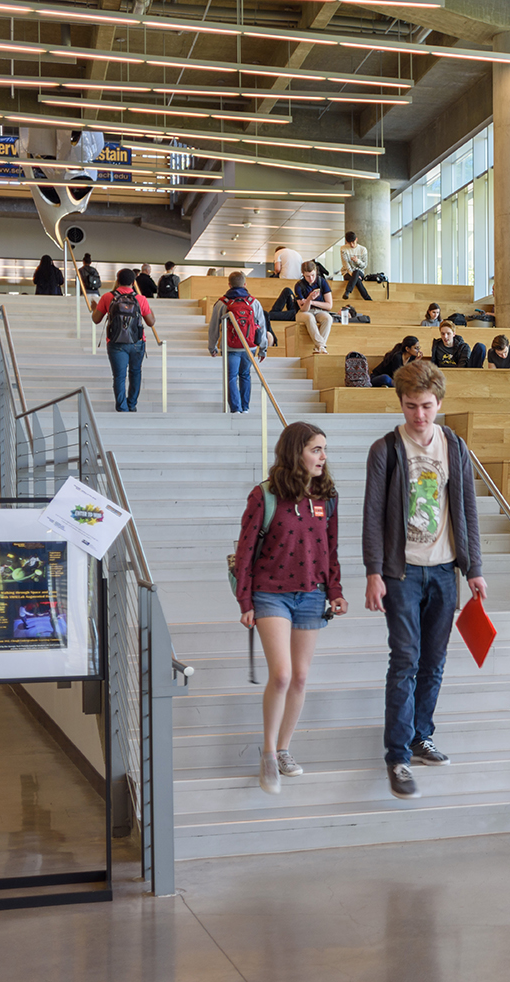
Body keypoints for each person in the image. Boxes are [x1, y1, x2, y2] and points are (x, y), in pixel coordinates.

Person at [363, 361, 488, 800]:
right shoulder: (385, 450)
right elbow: (373, 516)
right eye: (412, 406)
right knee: (406, 660)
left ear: (440, 404)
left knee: (434, 662)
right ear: (400, 403)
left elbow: (466, 510)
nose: (420, 415)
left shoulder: (453, 446)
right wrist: (373, 572)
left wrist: (473, 569)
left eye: (427, 406)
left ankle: (421, 736)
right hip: (401, 572)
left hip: (444, 569)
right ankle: (397, 755)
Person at [234, 422, 347, 793]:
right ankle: (267, 752)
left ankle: (284, 748)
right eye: (316, 449)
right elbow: (246, 553)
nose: (323, 457)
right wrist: (246, 600)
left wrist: (336, 590)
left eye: (324, 450)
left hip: (312, 595)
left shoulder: (326, 497)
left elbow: (330, 550)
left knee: (300, 676)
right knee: (281, 674)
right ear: (296, 450)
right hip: (271, 594)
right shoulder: (263, 496)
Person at [92, 268, 155, 412]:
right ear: (133, 282)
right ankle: (132, 404)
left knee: (119, 376)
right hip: (137, 342)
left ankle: (122, 408)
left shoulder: (108, 297)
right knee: (135, 372)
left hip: (116, 343)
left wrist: (95, 309)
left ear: (117, 280)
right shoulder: (140, 299)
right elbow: (151, 322)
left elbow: (96, 320)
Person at [207, 272, 269, 413]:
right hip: (250, 346)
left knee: (231, 377)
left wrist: (212, 347)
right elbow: (262, 326)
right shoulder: (254, 302)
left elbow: (213, 327)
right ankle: (245, 408)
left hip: (230, 347)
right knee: (245, 375)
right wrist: (263, 348)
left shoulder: (222, 303)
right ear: (245, 284)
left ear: (229, 285)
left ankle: (236, 409)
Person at [293, 260, 335, 354]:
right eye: (307, 276)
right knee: (310, 317)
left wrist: (312, 302)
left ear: (316, 271)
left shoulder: (322, 281)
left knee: (328, 318)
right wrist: (308, 299)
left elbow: (329, 305)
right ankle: (321, 345)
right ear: (303, 274)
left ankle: (318, 347)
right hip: (304, 312)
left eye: (312, 275)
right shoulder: (299, 285)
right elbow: (303, 309)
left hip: (319, 310)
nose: (311, 278)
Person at [339, 231, 373, 301]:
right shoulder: (343, 249)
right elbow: (345, 264)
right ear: (346, 241)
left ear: (356, 239)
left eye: (353, 242)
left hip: (359, 272)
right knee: (356, 277)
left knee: (357, 272)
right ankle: (368, 299)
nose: (352, 245)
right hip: (347, 272)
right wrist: (352, 274)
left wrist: (357, 261)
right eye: (349, 243)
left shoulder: (363, 249)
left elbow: (364, 265)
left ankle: (347, 291)